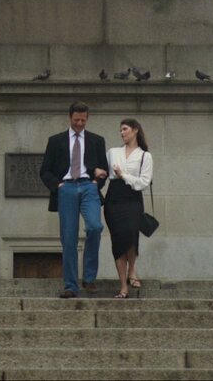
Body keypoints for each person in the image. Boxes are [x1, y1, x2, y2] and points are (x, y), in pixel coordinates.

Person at [38, 100, 109, 298]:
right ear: (70, 117)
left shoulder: (97, 140)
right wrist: (58, 186)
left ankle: (89, 278)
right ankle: (70, 286)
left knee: (95, 226)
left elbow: (104, 168)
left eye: (83, 120)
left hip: (88, 187)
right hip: (66, 188)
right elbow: (45, 171)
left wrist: (96, 182)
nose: (79, 123)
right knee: (68, 237)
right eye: (76, 120)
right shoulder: (56, 141)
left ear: (87, 119)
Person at [104, 118, 153, 299]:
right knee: (118, 240)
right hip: (114, 198)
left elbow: (143, 182)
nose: (122, 133)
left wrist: (123, 175)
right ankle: (123, 286)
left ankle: (132, 270)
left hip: (133, 198)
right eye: (120, 130)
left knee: (131, 233)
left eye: (125, 129)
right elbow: (102, 170)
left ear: (135, 130)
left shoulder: (145, 156)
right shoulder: (112, 152)